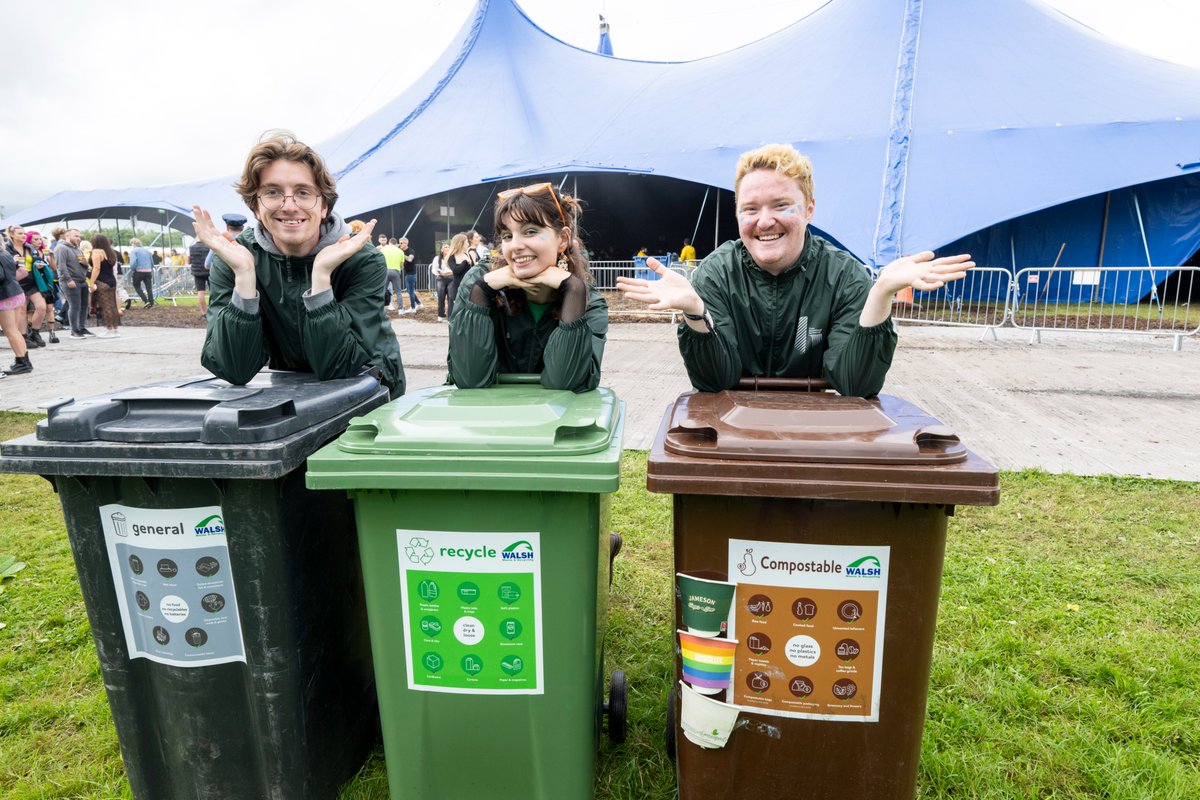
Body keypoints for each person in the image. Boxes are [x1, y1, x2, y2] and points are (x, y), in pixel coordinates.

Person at [617, 143, 973, 397]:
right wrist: (695, 314)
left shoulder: (844, 276)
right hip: (734, 438)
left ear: (809, 210)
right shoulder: (716, 274)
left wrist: (880, 296)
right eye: (750, 208)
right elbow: (715, 381)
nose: (765, 221)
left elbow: (856, 384)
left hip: (817, 441)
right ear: (738, 214)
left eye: (782, 205)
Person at [195, 130, 404, 396]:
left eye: (303, 192)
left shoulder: (362, 260)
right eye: (273, 192)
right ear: (256, 207)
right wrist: (245, 278)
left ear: (324, 206)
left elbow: (340, 367)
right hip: (293, 397)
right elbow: (233, 369)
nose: (289, 205)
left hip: (370, 393)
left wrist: (321, 278)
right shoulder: (237, 260)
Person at [447, 182, 607, 392]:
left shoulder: (588, 300)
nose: (515, 246)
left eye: (530, 231)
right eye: (507, 236)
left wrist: (573, 290)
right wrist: (482, 292)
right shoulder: (478, 281)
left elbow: (564, 383)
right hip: (489, 417)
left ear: (563, 239)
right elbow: (470, 379)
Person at [54, 228, 93, 339]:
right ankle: (74, 330)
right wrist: (68, 280)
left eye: (79, 236)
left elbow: (84, 265)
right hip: (71, 281)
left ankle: (81, 327)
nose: (78, 238)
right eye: (75, 236)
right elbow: (61, 266)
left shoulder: (77, 249)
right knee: (74, 306)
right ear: (67, 236)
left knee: (84, 305)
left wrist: (85, 264)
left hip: (82, 280)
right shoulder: (61, 248)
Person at [1, 246, 32, 374]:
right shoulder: (5, 252)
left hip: (5, 296)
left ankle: (22, 362)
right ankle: (24, 359)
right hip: (16, 292)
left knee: (10, 331)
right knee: (15, 330)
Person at [88, 234, 121, 338]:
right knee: (113, 306)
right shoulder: (110, 252)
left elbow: (96, 268)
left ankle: (109, 329)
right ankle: (115, 330)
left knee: (105, 306)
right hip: (111, 281)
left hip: (102, 282)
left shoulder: (96, 252)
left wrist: (91, 282)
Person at [444, 233, 474, 322]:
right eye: (466, 242)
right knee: (456, 307)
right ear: (460, 243)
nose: (468, 244)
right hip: (458, 286)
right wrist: (465, 262)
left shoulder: (467, 254)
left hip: (468, 286)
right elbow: (456, 270)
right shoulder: (451, 257)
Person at [379, 236, 405, 312]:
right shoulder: (400, 251)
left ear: (389, 242)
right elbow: (402, 265)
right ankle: (400, 310)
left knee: (382, 291)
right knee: (398, 292)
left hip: (385, 271)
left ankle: (381, 309)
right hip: (395, 271)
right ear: (396, 243)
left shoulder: (383, 249)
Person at [188, 235, 212, 318]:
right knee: (213, 292)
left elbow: (189, 261)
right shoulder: (209, 247)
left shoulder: (191, 248)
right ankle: (213, 310)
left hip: (197, 273)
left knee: (200, 292)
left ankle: (203, 313)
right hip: (209, 271)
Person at [129, 237, 155, 307]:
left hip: (139, 271)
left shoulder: (134, 251)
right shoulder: (147, 251)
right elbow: (152, 262)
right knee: (149, 288)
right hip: (148, 271)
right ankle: (151, 302)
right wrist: (150, 268)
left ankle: (146, 301)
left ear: (133, 244)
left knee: (136, 285)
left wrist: (133, 268)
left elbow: (133, 262)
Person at [430, 242, 453, 321]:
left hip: (451, 278)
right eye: (445, 247)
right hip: (441, 278)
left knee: (451, 297)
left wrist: (449, 272)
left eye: (448, 247)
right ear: (441, 250)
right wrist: (440, 272)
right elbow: (434, 269)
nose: (447, 248)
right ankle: (441, 314)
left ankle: (450, 315)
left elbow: (455, 269)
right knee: (441, 296)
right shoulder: (437, 258)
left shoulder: (452, 258)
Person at [399, 236, 422, 314]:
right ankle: (419, 304)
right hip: (407, 274)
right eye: (399, 243)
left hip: (411, 274)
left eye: (401, 243)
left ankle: (413, 307)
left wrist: (402, 254)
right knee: (409, 291)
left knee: (411, 291)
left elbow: (410, 259)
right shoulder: (401, 251)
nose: (400, 244)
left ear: (406, 243)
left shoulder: (411, 251)